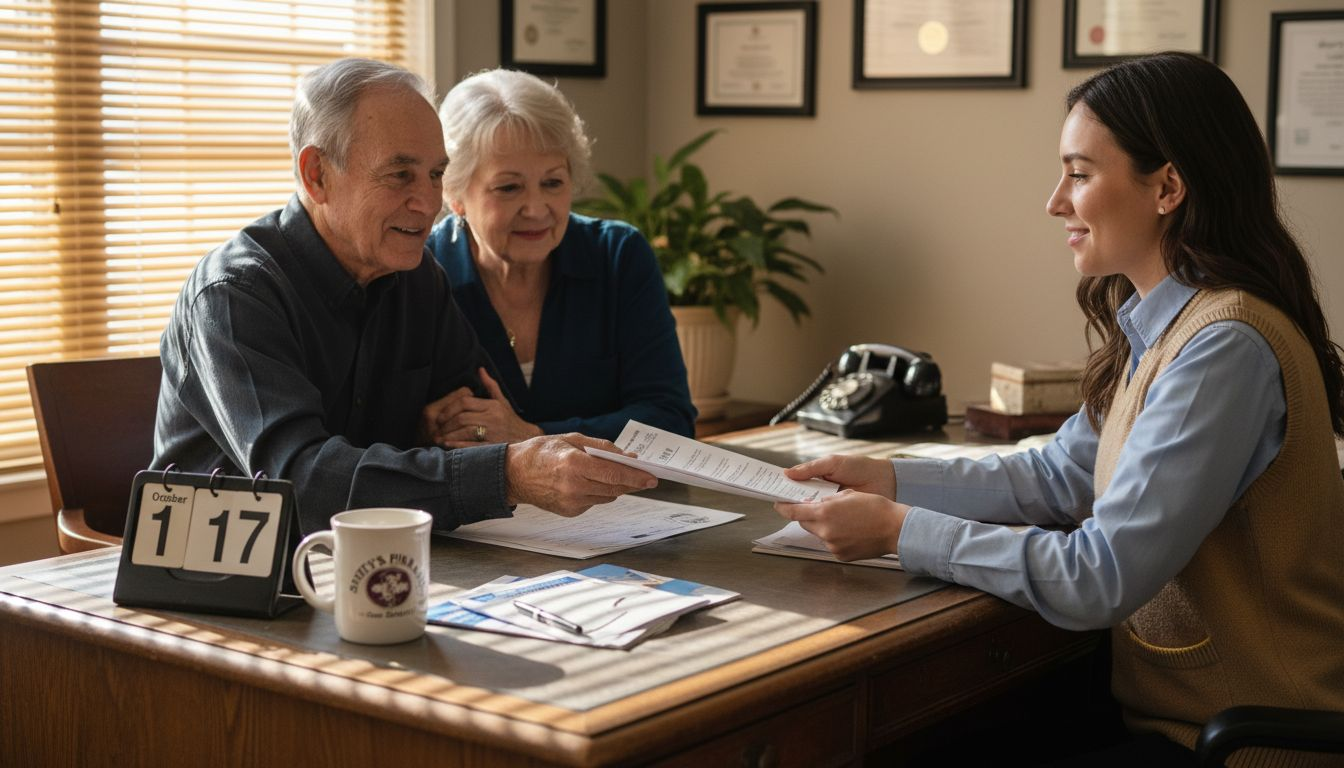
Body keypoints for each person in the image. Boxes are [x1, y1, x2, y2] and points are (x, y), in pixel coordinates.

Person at [776, 52, 1344, 763]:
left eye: (1079, 174)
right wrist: (889, 480)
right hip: (1169, 718)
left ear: (1168, 186)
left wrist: (899, 530)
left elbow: (1098, 576)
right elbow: (1059, 477)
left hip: (1235, 743)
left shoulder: (1222, 347)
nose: (1055, 201)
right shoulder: (1164, 326)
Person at [152, 58, 656, 535]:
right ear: (317, 175)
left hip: (386, 565)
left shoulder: (417, 277)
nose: (427, 202)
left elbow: (475, 422)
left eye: (435, 174)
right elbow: (302, 483)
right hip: (219, 591)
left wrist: (463, 443)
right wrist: (506, 473)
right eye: (399, 175)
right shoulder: (235, 296)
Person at [423, 68, 696, 446]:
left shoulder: (619, 257)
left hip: (618, 503)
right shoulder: (420, 274)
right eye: (509, 187)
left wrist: (534, 437)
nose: (536, 209)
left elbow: (672, 421)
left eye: (552, 182)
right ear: (454, 194)